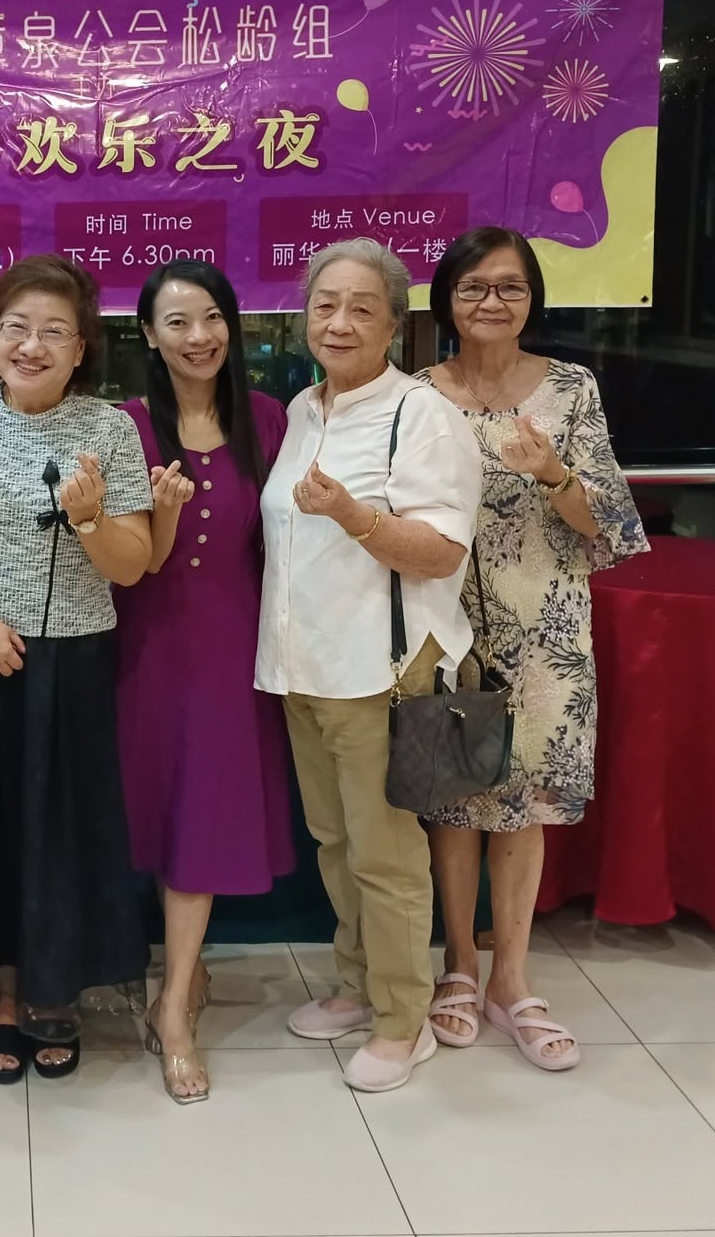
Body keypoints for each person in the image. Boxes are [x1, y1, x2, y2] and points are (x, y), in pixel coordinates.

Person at [0, 255, 154, 1084]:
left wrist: (90, 520)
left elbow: (131, 564)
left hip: (73, 658)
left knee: (61, 831)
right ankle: (0, 997)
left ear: (81, 349)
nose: (31, 345)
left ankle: (55, 992)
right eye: (16, 328)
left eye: (53, 332)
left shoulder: (110, 429)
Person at [418, 227, 647, 1071]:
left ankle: (511, 976)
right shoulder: (416, 395)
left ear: (532, 299)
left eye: (510, 287)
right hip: (445, 629)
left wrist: (553, 474)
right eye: (474, 287)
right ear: (446, 300)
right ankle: (458, 964)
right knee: (453, 802)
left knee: (522, 805)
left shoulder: (571, 390)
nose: (492, 302)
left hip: (547, 630)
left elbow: (610, 525)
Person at [256, 238, 481, 1094]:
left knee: (385, 853)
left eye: (362, 307)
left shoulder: (421, 415)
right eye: (325, 305)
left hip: (378, 667)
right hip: (302, 663)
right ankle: (358, 984)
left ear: (394, 324)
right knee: (335, 840)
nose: (339, 322)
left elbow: (440, 551)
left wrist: (354, 515)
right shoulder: (304, 408)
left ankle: (402, 1018)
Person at [114, 261, 293, 1104]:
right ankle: (177, 976)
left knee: (203, 823)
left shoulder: (268, 419)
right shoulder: (126, 427)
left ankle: (175, 1004)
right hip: (145, 648)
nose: (198, 336)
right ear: (149, 335)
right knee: (158, 812)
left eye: (212, 317)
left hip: (234, 650)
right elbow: (118, 557)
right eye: (178, 322)